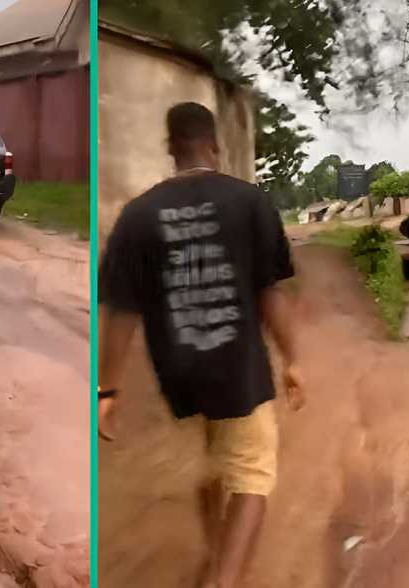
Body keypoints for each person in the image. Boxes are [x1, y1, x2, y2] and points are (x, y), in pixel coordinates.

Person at [98, 101, 304, 588]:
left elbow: (122, 312)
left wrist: (107, 390)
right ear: (216, 146)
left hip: (178, 375)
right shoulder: (250, 202)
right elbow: (270, 293)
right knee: (253, 474)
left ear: (170, 148)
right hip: (239, 373)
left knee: (210, 465)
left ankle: (216, 552)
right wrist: (295, 360)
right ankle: (223, 581)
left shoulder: (137, 215)